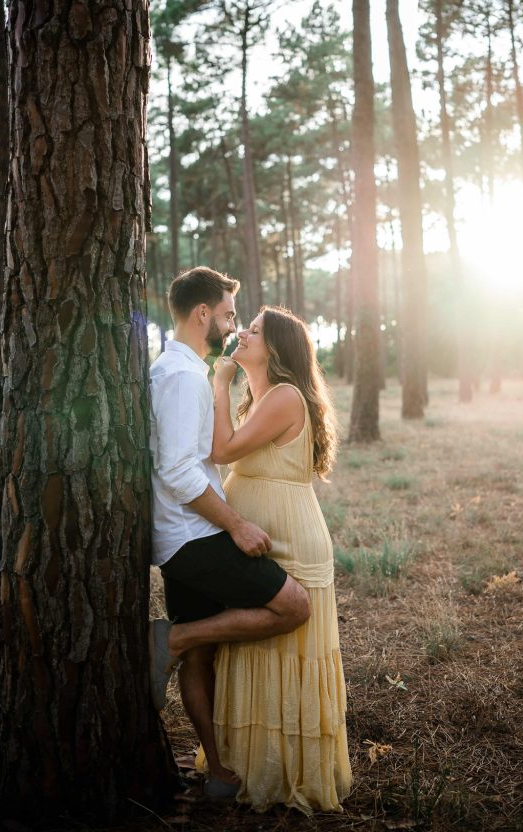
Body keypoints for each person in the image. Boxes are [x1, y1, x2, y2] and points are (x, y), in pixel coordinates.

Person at [149, 268, 311, 799]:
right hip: (194, 537)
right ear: (204, 315)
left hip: (186, 535)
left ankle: (217, 770)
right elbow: (177, 472)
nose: (234, 326)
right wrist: (236, 524)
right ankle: (170, 638)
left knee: (202, 655)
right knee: (293, 606)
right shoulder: (183, 376)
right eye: (229, 315)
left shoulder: (186, 371)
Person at [210, 305, 352, 814]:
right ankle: (255, 765)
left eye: (254, 331)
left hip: (289, 539)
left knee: (284, 650)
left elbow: (222, 450)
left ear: (277, 349)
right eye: (244, 326)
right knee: (258, 652)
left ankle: (286, 773)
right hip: (264, 535)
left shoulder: (286, 396)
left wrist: (220, 381)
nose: (242, 333)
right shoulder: (264, 398)